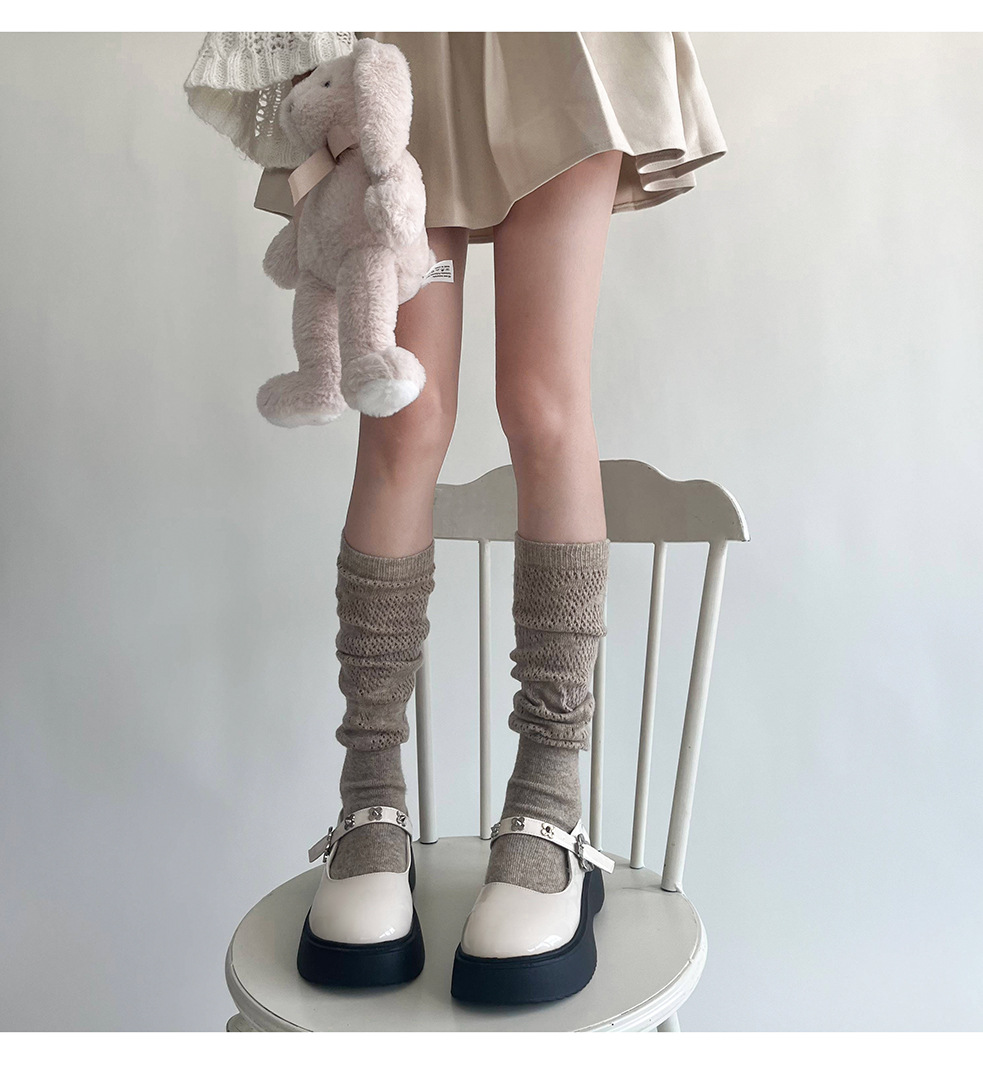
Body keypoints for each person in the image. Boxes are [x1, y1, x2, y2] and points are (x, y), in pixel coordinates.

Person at [185, 30, 726, 1005]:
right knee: (403, 413)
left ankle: (548, 803)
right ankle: (370, 800)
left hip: (555, 38)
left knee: (542, 402)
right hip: (399, 49)